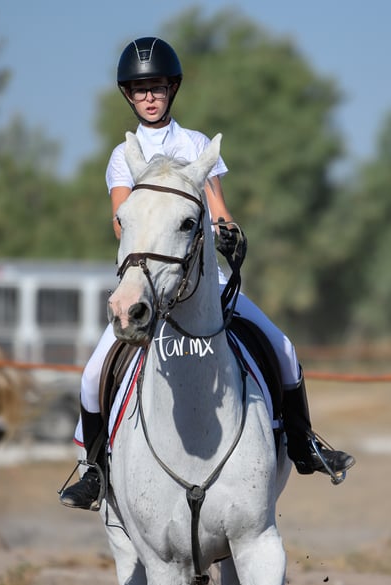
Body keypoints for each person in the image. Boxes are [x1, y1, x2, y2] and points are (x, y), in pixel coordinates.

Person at [60, 37, 355, 511]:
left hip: (205, 284)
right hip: (149, 284)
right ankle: (94, 472)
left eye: (157, 87)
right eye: (140, 90)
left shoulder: (195, 143)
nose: (149, 97)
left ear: (171, 89)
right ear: (129, 96)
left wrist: (228, 230)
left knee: (283, 348)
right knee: (94, 374)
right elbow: (121, 216)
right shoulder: (125, 154)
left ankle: (303, 445)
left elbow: (218, 207)